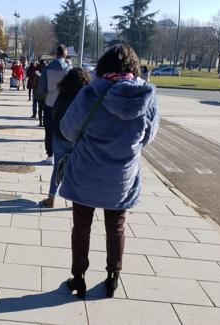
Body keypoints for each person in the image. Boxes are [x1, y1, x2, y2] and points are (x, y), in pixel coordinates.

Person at [59, 43, 159, 299]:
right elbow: (148, 137)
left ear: (104, 66)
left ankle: (78, 277)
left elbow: (68, 129)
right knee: (116, 225)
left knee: (81, 225)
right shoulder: (147, 97)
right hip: (121, 176)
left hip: (86, 174)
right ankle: (113, 277)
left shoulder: (90, 94)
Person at [40, 67, 90, 208]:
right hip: (78, 138)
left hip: (60, 135)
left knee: (58, 168)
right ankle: (78, 201)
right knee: (79, 169)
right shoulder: (86, 97)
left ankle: (51, 198)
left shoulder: (62, 94)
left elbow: (54, 113)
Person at [39, 45, 71, 165]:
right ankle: (62, 154)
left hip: (50, 102)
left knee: (49, 129)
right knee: (63, 129)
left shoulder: (47, 69)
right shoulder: (69, 69)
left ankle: (50, 155)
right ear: (65, 55)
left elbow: (42, 88)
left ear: (56, 54)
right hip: (64, 103)